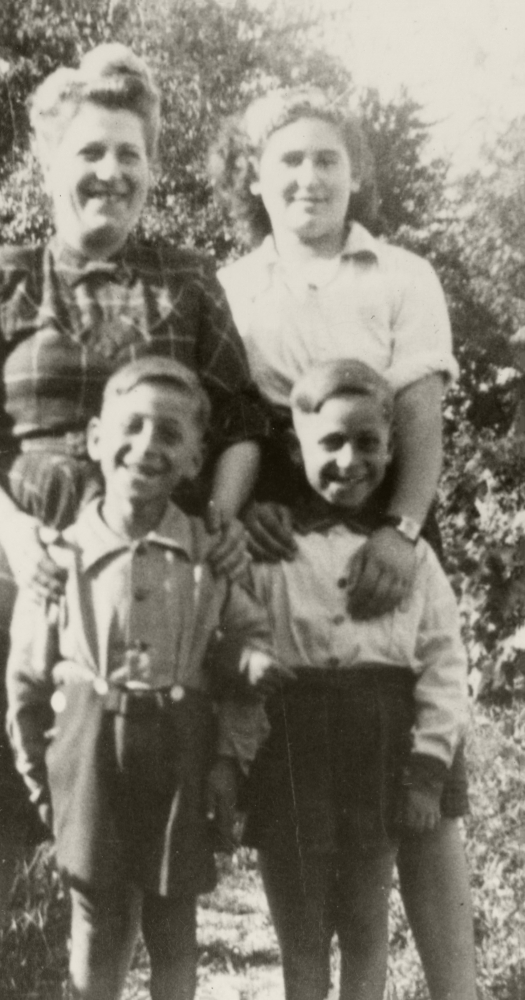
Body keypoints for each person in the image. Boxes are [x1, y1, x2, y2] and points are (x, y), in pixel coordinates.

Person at [0, 45, 269, 1000]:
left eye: (131, 154)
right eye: (91, 151)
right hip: (17, 564)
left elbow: (242, 423)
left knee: (131, 822)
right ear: (50, 164)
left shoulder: (186, 282)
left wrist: (219, 522)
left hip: (151, 579)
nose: (111, 172)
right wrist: (15, 531)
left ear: (152, 167)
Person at [210, 87, 477, 1000]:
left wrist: (403, 534)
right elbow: (230, 428)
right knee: (303, 782)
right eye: (287, 161)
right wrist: (244, 514)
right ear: (256, 179)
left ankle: (458, 986)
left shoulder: (401, 274)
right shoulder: (235, 286)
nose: (309, 177)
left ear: (355, 172)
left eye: (326, 158)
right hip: (284, 531)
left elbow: (419, 425)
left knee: (423, 784)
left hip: (388, 516)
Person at [6, 357, 278, 1000]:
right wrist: (40, 773)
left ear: (194, 459)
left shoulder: (208, 555)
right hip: (88, 752)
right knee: (97, 920)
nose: (148, 446)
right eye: (132, 427)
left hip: (180, 751)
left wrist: (228, 758)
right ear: (97, 439)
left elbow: (250, 645)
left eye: (170, 434)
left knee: (173, 922)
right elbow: (26, 678)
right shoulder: (61, 557)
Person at [244, 358, 469, 1000]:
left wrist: (427, 772)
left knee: (367, 930)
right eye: (331, 443)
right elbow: (240, 657)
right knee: (303, 935)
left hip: (378, 758)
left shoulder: (414, 561)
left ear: (393, 447)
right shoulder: (274, 555)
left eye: (368, 442)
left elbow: (444, 671)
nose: (350, 460)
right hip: (292, 753)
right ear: (296, 448)